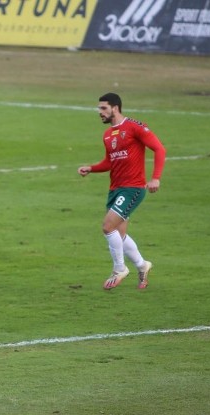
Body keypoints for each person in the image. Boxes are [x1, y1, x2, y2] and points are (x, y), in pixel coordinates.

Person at [77, 92, 166, 290]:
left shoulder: (135, 126)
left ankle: (119, 269)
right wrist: (91, 168)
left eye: (103, 108)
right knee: (119, 234)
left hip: (133, 188)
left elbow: (159, 149)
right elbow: (109, 162)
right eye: (99, 108)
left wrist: (156, 178)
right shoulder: (108, 134)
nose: (99, 112)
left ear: (115, 108)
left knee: (108, 227)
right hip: (115, 189)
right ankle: (143, 265)